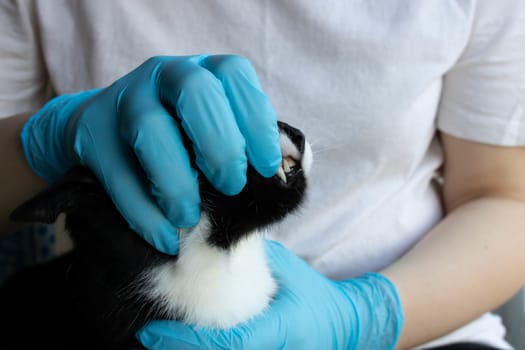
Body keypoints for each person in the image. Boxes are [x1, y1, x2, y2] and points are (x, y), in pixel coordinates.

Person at [1, 1, 524, 349]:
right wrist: (48, 139)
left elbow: (505, 197)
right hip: (134, 324)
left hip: (421, 324)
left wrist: (364, 319)